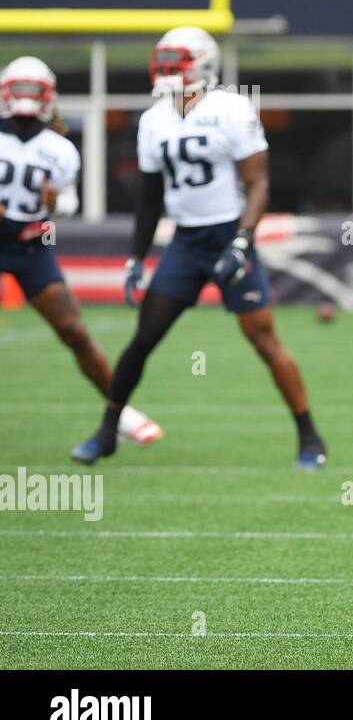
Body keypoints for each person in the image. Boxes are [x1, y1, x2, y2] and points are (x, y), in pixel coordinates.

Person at [70, 26, 328, 470]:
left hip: (228, 233)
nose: (167, 72)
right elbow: (150, 198)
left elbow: (258, 183)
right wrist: (136, 256)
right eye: (163, 63)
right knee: (144, 338)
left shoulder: (232, 108)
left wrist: (244, 241)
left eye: (176, 63)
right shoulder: (154, 119)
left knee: (263, 338)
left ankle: (310, 435)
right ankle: (108, 430)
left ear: (203, 64)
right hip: (186, 242)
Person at [0, 56, 161, 445]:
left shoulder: (59, 148)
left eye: (31, 90)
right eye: (18, 89)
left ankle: (119, 413)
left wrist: (53, 203)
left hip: (29, 247)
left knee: (74, 331)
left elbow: (69, 205)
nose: (24, 98)